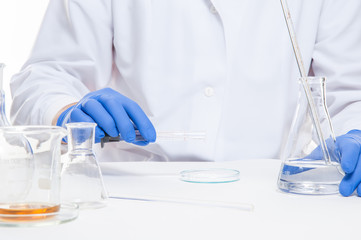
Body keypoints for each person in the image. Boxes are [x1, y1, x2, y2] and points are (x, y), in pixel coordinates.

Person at [9, 0, 361, 196]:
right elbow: (45, 75)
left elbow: (351, 94)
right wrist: (68, 111)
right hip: (132, 197)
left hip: (271, 196)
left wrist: (356, 133)